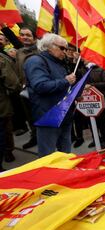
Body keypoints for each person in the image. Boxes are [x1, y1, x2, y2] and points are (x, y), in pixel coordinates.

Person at [24, 33, 76, 157]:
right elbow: (40, 86)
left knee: (66, 156)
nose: (65, 52)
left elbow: (62, 86)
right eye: (62, 48)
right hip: (48, 116)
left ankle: (65, 176)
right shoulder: (35, 61)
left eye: (67, 49)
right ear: (49, 47)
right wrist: (66, 81)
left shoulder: (59, 62)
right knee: (47, 157)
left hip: (64, 115)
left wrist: (74, 93)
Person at [1, 25, 39, 149]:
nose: (24, 37)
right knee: (29, 116)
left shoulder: (40, 50)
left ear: (34, 37)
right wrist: (4, 28)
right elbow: (14, 40)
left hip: (39, 90)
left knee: (41, 115)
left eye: (28, 35)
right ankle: (34, 136)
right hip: (24, 90)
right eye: (22, 35)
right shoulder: (20, 51)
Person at [0, 33, 21, 171]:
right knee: (3, 130)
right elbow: (12, 82)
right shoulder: (1, 59)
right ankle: (6, 153)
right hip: (1, 103)